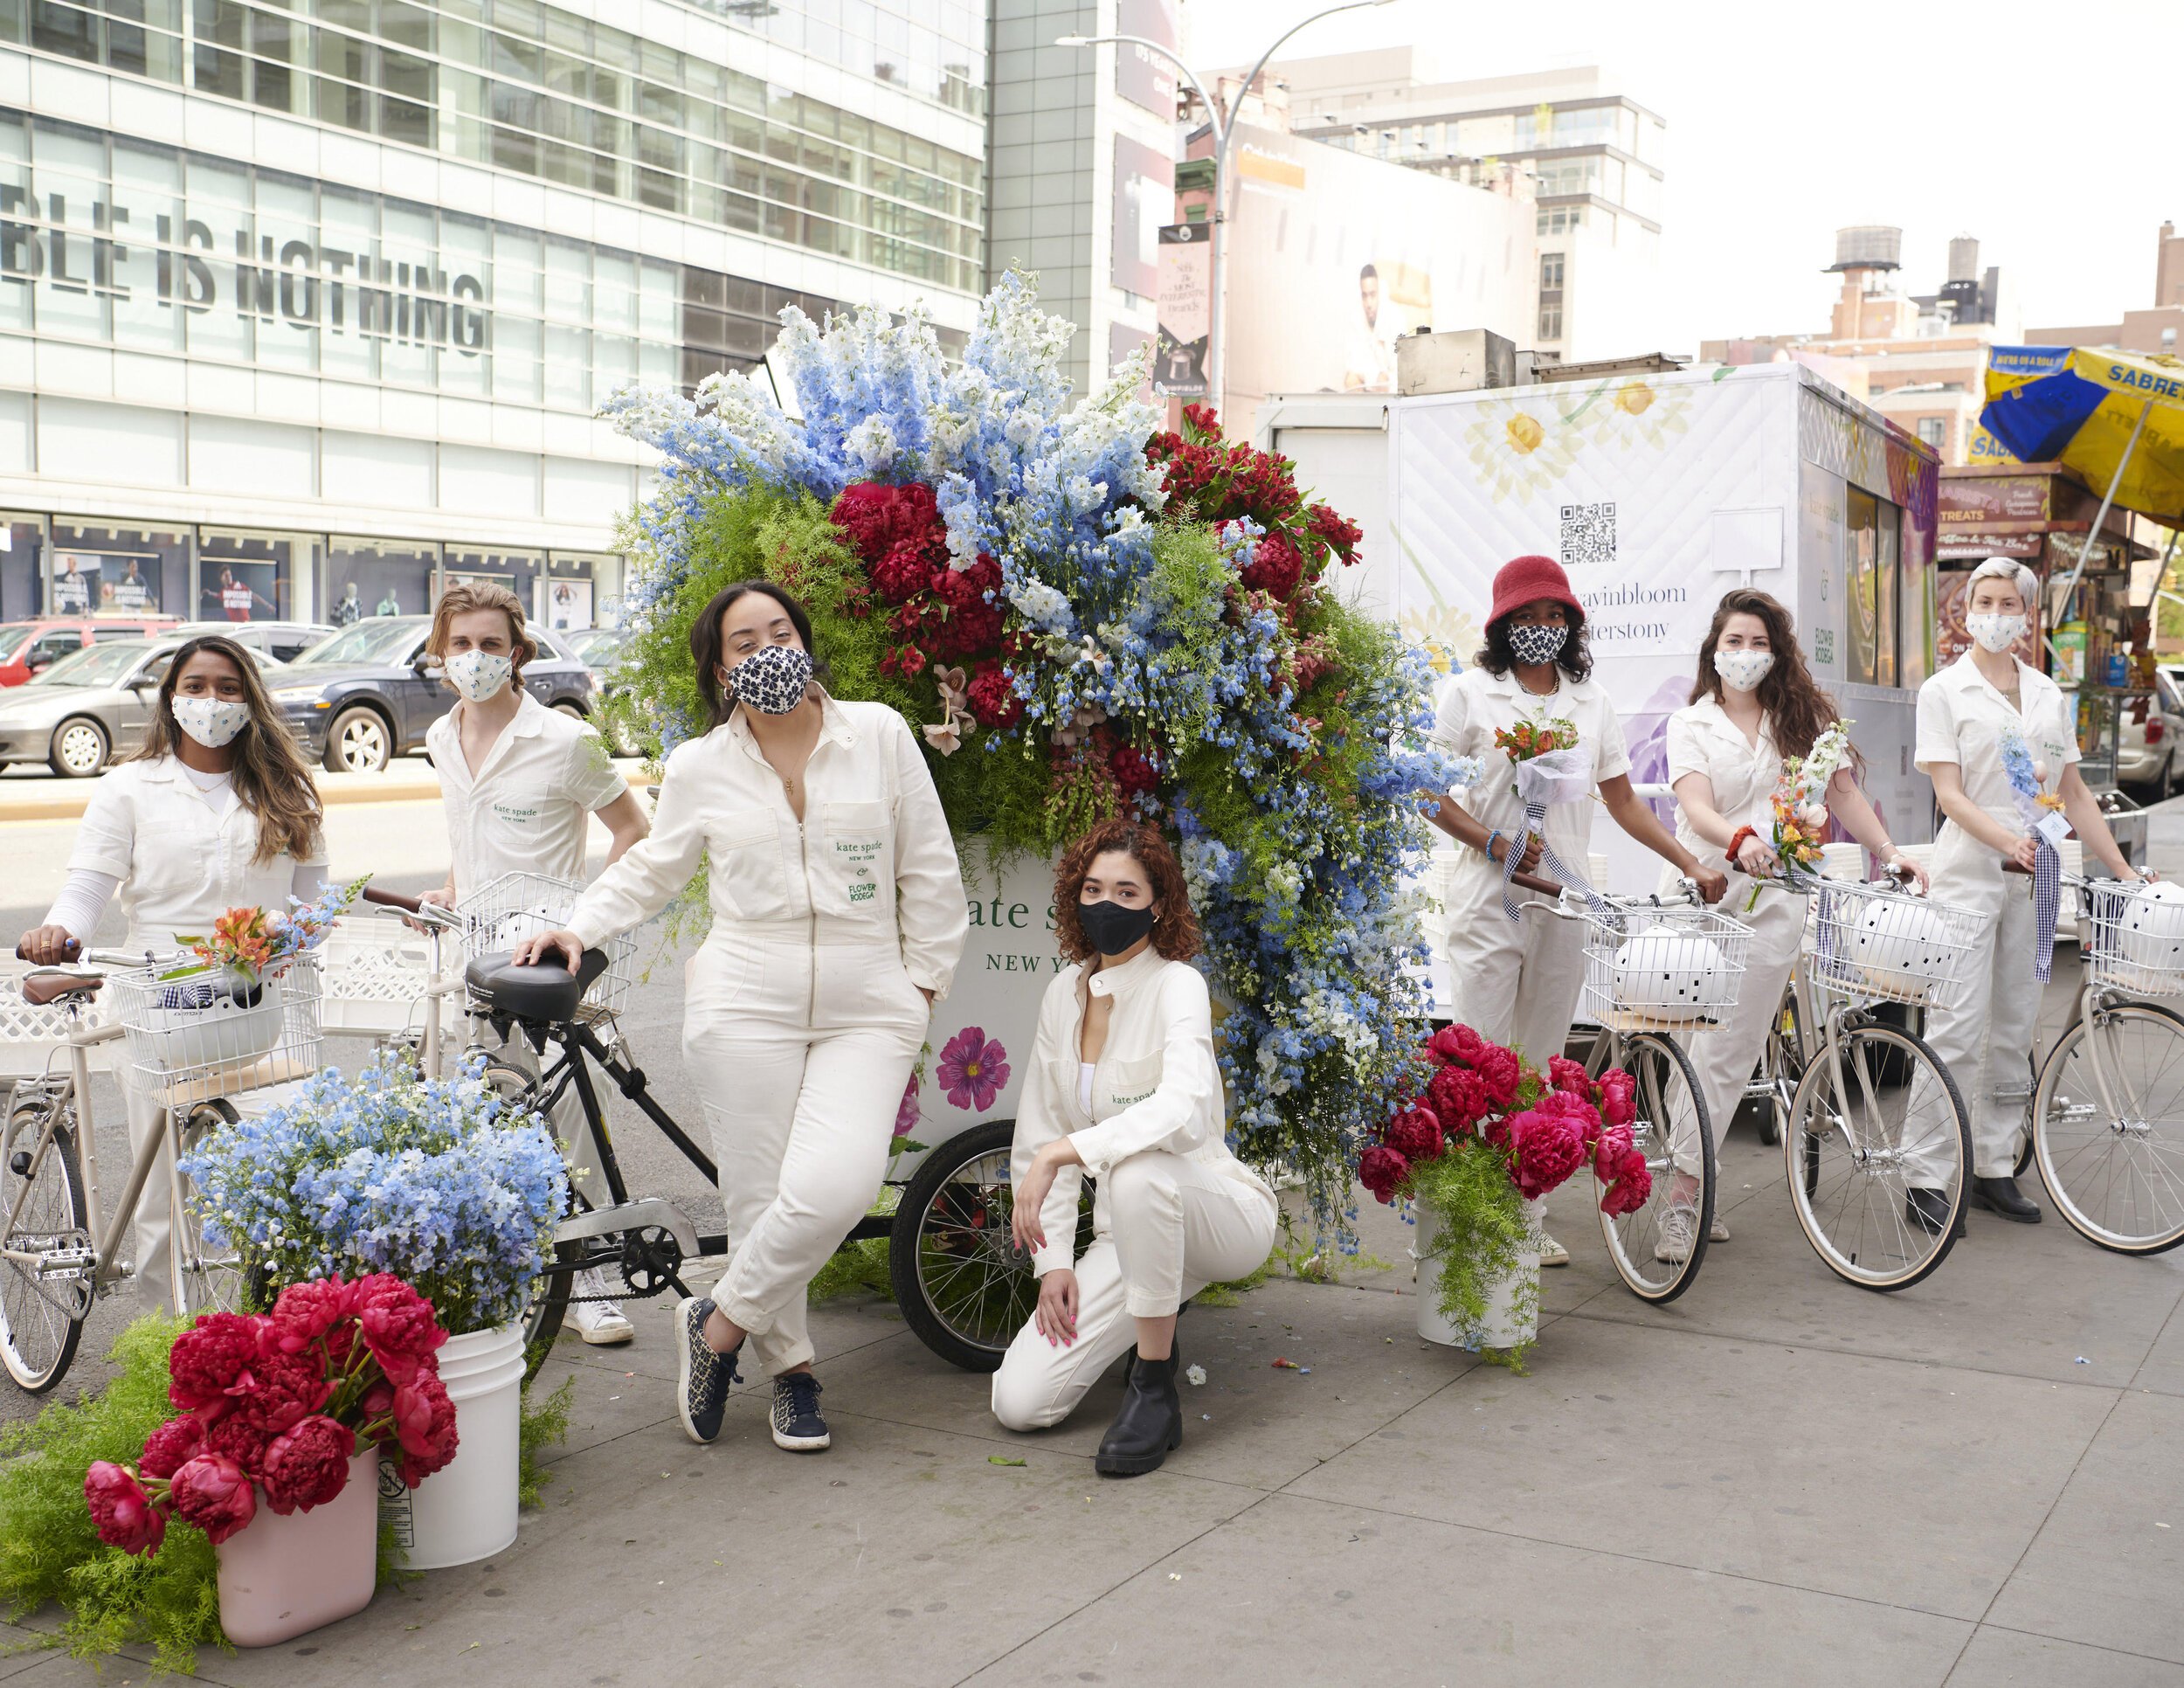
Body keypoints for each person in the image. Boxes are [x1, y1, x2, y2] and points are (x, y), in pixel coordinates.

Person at [511, 581, 967, 1453]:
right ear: (721, 668)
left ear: (806, 640)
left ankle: (714, 1324)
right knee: (760, 1199)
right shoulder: (699, 765)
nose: (767, 652)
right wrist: (579, 923)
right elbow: (654, 868)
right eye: (744, 642)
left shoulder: (876, 734)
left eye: (780, 632)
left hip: (870, 1000)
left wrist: (922, 985)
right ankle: (792, 1372)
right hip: (744, 994)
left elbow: (930, 867)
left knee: (834, 1186)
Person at [1427, 554, 1728, 1265]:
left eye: (1554, 615)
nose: (1541, 628)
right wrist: (1492, 840)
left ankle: (1525, 1214)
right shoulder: (1470, 694)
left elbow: (1622, 799)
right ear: (1502, 624)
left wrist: (1689, 861)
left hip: (1563, 905)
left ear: (1572, 623)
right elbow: (1427, 791)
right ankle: (1469, 1220)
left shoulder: (1589, 703)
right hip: (1488, 902)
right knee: (1481, 1062)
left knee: (1535, 1067)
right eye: (1526, 617)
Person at [16, 634, 327, 1311]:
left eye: (227, 687)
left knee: (286, 1180)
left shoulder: (287, 790)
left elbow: (313, 903)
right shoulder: (129, 788)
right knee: (161, 1193)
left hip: (258, 1011)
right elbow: (88, 891)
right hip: (159, 1008)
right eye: (195, 686)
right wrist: (57, 933)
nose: (210, 701)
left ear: (250, 700)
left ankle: (282, 1337)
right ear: (170, 697)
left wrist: (291, 934)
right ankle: (165, 1349)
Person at [991, 820, 1277, 1477]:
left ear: (1158, 904)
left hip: (1215, 1214)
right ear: (1073, 897)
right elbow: (1038, 1128)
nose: (1107, 906)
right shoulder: (1061, 995)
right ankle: (1151, 1306)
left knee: (1140, 1170)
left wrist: (1067, 1150)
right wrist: (1054, 1262)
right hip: (1129, 1236)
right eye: (1093, 889)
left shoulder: (1178, 986)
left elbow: (1179, 1108)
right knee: (1019, 1402)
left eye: (1126, 892)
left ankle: (1154, 1387)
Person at [418, 581, 651, 1345]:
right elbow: (466, 833)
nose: (475, 658)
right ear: (439, 652)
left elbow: (633, 831)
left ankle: (596, 1277)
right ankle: (521, 1277)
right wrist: (449, 889)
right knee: (491, 1113)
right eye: (461, 644)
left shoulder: (564, 741)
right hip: (470, 950)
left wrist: (578, 921)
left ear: (517, 652)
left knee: (574, 1111)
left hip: (545, 954)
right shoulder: (442, 738)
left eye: (491, 644)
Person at [1664, 588, 1928, 1261]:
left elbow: (1843, 795)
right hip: (1703, 892)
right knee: (1686, 1050)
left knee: (1728, 1053)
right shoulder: (1691, 724)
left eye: (1758, 643)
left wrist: (1890, 852)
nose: (1746, 655)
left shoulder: (1803, 721)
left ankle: (1682, 1196)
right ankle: (1678, 1175)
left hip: (1776, 903)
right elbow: (1696, 810)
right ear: (1713, 652)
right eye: (1733, 642)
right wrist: (1741, 838)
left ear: (1776, 653)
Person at [1916, 556, 2146, 1229]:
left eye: (2005, 602)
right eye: (1980, 601)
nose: (1992, 612)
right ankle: (1929, 1174)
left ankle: (1992, 1165)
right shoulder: (1944, 691)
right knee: (1956, 1028)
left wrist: (2125, 873)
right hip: (1968, 874)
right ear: (1966, 612)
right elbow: (1949, 794)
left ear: (2026, 614)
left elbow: (2073, 794)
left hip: (2035, 875)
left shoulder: (2048, 693)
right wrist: (2005, 841)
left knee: (2016, 1025)